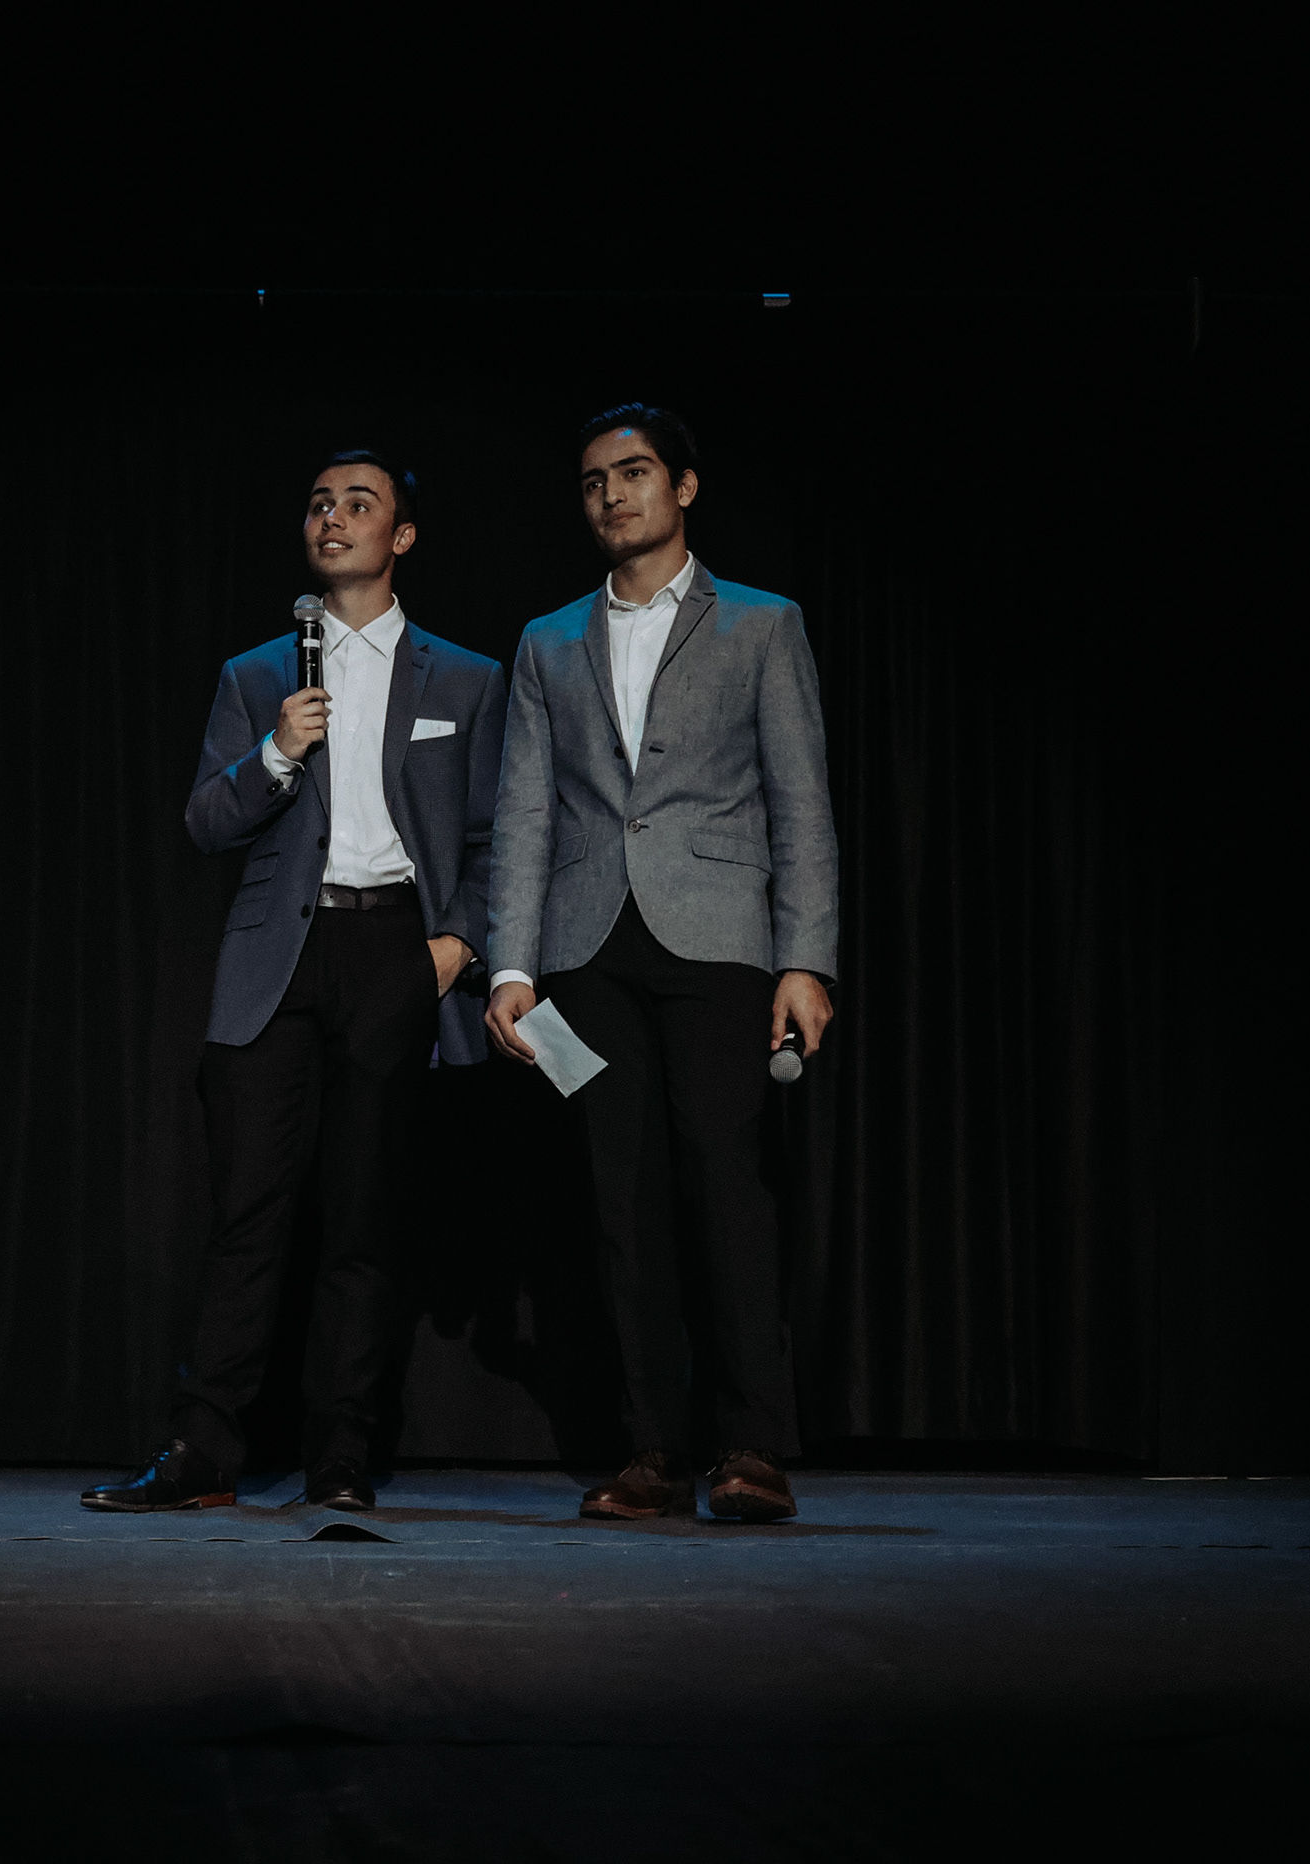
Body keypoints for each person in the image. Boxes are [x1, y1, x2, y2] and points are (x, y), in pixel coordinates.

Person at [83, 448, 507, 1515]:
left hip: (396, 947)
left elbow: (497, 835)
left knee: (362, 1219)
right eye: (320, 503)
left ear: (401, 536)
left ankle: (341, 1455)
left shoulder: (467, 678)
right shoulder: (258, 673)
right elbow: (204, 820)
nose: (333, 517)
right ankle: (202, 1449)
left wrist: (455, 946)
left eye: (359, 503)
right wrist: (275, 753)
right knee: (249, 1213)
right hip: (280, 952)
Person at [485, 404, 838, 1523]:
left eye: (633, 473)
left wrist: (806, 958)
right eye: (594, 480)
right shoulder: (548, 640)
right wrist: (510, 967)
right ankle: (652, 1450)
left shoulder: (763, 623)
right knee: (619, 1195)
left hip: (720, 940)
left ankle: (752, 1446)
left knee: (725, 1182)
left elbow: (801, 802)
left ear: (683, 487)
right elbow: (525, 812)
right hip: (586, 950)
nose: (612, 495)